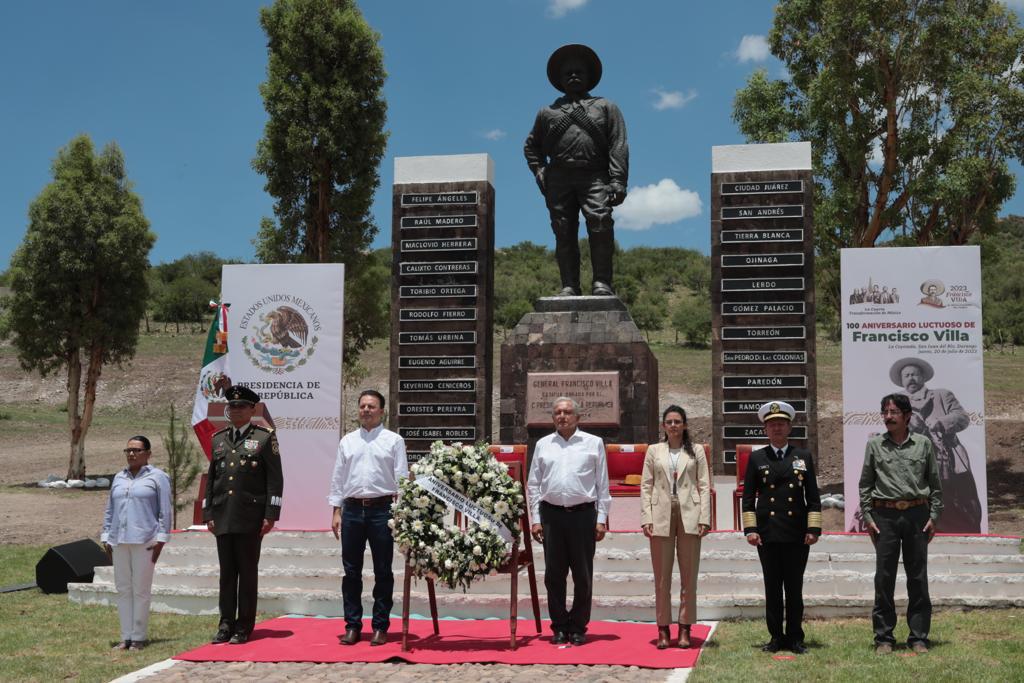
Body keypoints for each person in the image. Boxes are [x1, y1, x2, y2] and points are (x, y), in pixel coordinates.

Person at [524, 43, 629, 297]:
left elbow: (618, 144)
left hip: (595, 176)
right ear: (560, 80)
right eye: (568, 73)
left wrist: (618, 181)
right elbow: (531, 147)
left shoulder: (606, 107)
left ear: (589, 76)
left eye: (578, 72)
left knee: (601, 224)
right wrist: (540, 172)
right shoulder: (547, 113)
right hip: (559, 178)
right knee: (563, 230)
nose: (573, 76)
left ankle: (602, 283)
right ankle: (569, 285)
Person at [859, 393, 943, 654]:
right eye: (885, 412)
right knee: (884, 577)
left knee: (917, 577)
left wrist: (934, 515)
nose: (888, 417)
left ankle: (918, 637)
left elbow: (935, 484)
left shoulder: (924, 444)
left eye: (894, 412)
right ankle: (883, 638)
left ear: (907, 416)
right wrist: (869, 517)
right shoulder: (874, 445)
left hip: (917, 515)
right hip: (885, 518)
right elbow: (865, 485)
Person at [203, 385, 284, 645]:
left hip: (250, 517)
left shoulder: (264, 438)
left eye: (241, 406)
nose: (236, 410)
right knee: (227, 574)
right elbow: (212, 479)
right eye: (232, 406)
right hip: (223, 515)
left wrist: (271, 514)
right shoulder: (218, 438)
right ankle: (225, 624)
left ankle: (244, 626)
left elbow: (275, 479)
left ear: (252, 409)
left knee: (247, 573)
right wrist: (208, 513)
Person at [528, 397, 612, 645]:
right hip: (551, 515)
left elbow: (602, 484)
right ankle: (559, 626)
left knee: (582, 575)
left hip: (583, 515)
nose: (562, 416)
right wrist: (535, 519)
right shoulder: (543, 445)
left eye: (567, 412)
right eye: (557, 413)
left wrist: (601, 519)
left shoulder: (593, 443)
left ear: (578, 417)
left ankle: (577, 626)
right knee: (554, 575)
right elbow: (534, 485)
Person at [327, 389, 408, 646]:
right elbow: (338, 478)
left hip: (382, 510)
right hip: (351, 511)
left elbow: (402, 479)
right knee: (351, 571)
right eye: (362, 406)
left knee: (383, 570)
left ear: (381, 410)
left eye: (371, 406)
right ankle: (352, 625)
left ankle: (380, 626)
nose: (366, 410)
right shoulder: (347, 441)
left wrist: (401, 512)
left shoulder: (393, 440)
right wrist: (336, 511)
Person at [742, 401, 822, 655]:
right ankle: (776, 637)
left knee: (794, 588)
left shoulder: (803, 456)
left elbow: (813, 498)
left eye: (781, 424)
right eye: (772, 424)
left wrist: (814, 529)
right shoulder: (757, 458)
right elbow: (748, 498)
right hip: (768, 534)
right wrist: (750, 530)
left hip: (797, 533)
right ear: (765, 429)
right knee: (773, 588)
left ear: (789, 427)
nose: (776, 428)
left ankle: (795, 638)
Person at [640, 405, 711, 649]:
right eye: (669, 422)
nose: (673, 425)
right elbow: (646, 486)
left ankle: (684, 628)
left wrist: (705, 517)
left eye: (677, 421)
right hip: (660, 514)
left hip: (689, 514)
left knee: (688, 575)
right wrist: (646, 517)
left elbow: (703, 485)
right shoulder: (653, 451)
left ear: (684, 425)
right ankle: (662, 628)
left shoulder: (697, 451)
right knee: (662, 576)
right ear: (663, 426)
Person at [889, 357, 980, 533]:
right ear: (902, 380)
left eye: (914, 374)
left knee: (960, 499)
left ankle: (963, 532)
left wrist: (941, 422)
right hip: (912, 460)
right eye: (906, 375)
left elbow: (962, 418)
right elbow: (892, 427)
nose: (911, 378)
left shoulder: (942, 395)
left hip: (948, 459)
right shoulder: (895, 402)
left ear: (923, 377)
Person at [101, 436, 172, 651]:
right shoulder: (119, 477)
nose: (131, 454)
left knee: (140, 590)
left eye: (137, 450)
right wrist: (106, 536)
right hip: (119, 540)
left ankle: (139, 637)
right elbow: (110, 509)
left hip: (145, 541)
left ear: (148, 453)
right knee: (123, 589)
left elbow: (165, 511)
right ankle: (126, 636)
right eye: (128, 450)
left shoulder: (158, 477)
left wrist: (161, 539)